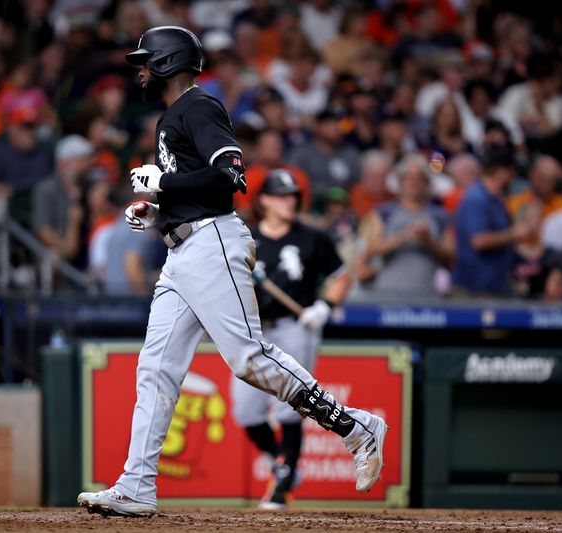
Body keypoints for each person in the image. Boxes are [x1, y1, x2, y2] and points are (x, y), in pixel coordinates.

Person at [77, 26, 386, 518]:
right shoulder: (169, 117)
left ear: (165, 62)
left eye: (145, 60)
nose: (138, 69)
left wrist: (165, 181)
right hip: (182, 249)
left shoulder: (199, 106)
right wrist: (156, 209)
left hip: (213, 241)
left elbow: (232, 176)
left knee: (247, 359)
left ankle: (355, 427)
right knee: (155, 369)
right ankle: (136, 484)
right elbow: (196, 189)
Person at [232, 169, 353, 509]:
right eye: (282, 196)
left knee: (291, 407)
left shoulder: (312, 238)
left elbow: (342, 276)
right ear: (264, 201)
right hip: (253, 329)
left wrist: (324, 306)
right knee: (246, 411)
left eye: (294, 196)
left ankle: (282, 487)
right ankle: (281, 463)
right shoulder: (246, 237)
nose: (290, 202)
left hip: (295, 325)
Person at [361, 154, 455, 297]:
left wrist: (428, 241)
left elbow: (451, 258)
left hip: (427, 291)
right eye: (409, 178)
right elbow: (373, 248)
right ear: (400, 181)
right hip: (388, 291)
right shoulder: (383, 212)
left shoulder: (440, 216)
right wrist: (403, 236)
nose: (414, 183)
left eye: (419, 178)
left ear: (426, 182)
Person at [452, 146, 535, 296]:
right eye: (512, 172)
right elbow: (478, 241)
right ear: (502, 172)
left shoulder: (496, 199)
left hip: (494, 286)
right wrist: (514, 234)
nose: (514, 178)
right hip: (472, 290)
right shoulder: (476, 198)